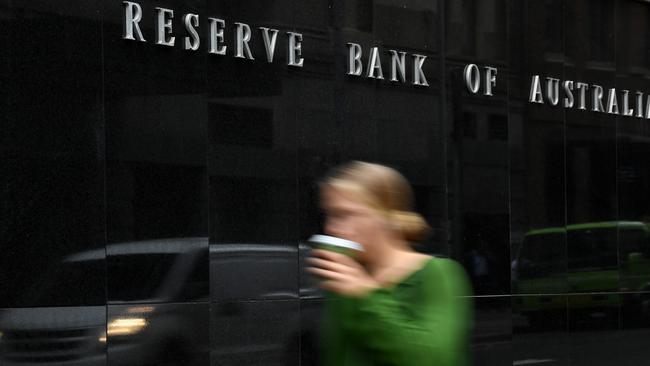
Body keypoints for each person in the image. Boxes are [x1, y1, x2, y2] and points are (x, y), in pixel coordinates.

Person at [307, 161, 472, 366]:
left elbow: (433, 359)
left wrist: (366, 295)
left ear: (386, 216)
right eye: (329, 215)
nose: (331, 227)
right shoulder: (348, 279)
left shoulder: (439, 273)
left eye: (344, 215)